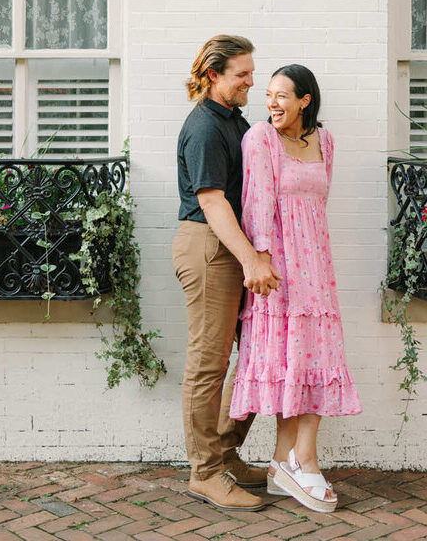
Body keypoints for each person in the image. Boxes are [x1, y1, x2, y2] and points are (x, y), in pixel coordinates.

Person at [229, 64, 361, 513]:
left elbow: (317, 202)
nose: (272, 103)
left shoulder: (324, 142)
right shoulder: (260, 139)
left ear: (305, 100)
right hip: (280, 268)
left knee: (312, 357)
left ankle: (286, 459)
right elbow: (257, 203)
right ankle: (302, 458)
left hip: (316, 266)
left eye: (282, 95)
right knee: (292, 360)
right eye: (268, 95)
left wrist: (315, 260)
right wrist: (261, 257)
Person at [172, 35, 281, 512]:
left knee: (258, 354)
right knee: (208, 364)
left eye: (252, 72)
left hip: (232, 247)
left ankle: (225, 452)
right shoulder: (203, 128)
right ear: (214, 75)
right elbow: (212, 201)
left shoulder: (235, 122)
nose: (252, 82)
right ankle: (205, 473)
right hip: (211, 248)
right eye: (243, 74)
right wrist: (251, 259)